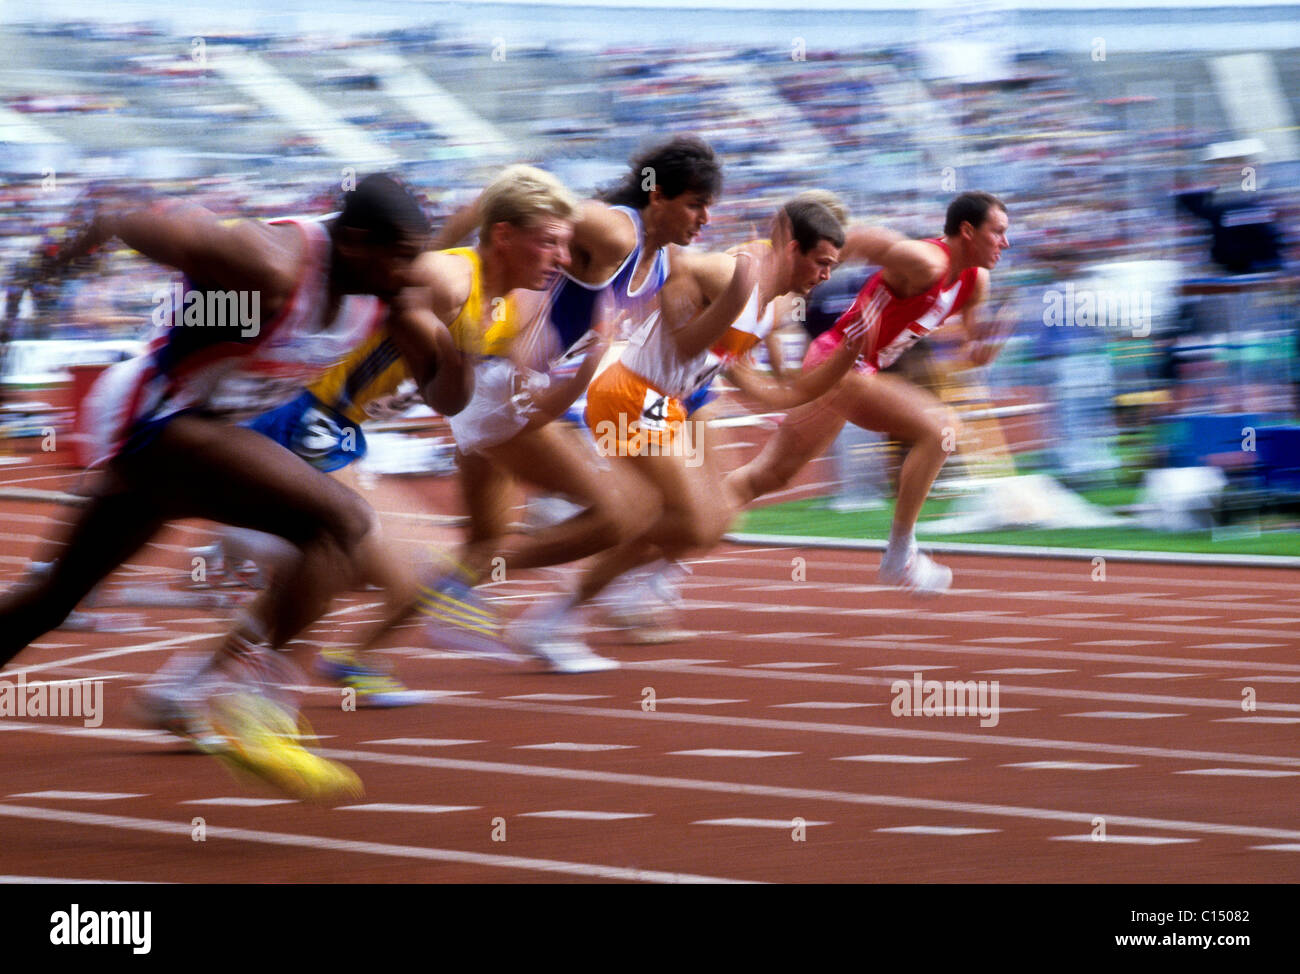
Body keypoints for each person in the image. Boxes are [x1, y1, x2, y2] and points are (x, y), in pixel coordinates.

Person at [0, 174, 464, 797]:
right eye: (403, 256)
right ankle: (256, 708)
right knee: (342, 522)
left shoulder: (387, 291)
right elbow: (120, 212)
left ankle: (246, 701)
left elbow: (448, 396)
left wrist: (448, 336)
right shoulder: (266, 263)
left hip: (207, 434)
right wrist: (44, 272)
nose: (413, 269)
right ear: (355, 242)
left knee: (55, 598)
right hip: (154, 419)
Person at [421, 140, 755, 672]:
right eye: (695, 203)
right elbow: (503, 204)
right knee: (627, 510)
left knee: (630, 512)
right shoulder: (615, 230)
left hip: (539, 392)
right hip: (504, 385)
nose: (706, 217)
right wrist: (437, 262)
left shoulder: (663, 261)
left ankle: (450, 595)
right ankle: (461, 583)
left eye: (709, 205)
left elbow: (685, 340)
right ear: (658, 195)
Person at [517, 193, 876, 651]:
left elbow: (773, 391)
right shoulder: (733, 270)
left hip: (668, 400)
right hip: (631, 392)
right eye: (822, 263)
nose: (827, 276)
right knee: (694, 522)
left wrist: (846, 356)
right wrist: (673, 305)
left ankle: (561, 607)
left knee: (712, 521)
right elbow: (677, 263)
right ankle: (587, 528)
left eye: (834, 264)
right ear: (791, 248)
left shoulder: (780, 305)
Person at [725, 191, 1011, 593]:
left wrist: (976, 354)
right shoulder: (926, 261)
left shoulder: (976, 282)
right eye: (998, 233)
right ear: (967, 231)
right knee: (941, 428)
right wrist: (790, 282)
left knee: (769, 476)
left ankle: (665, 543)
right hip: (837, 362)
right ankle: (901, 553)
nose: (1006, 243)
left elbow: (964, 341)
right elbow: (857, 240)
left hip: (849, 370)